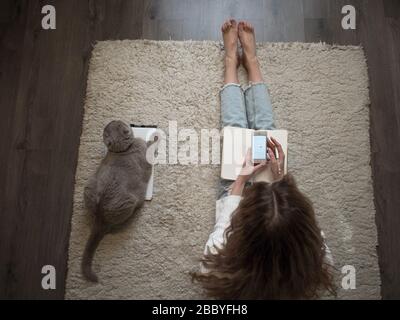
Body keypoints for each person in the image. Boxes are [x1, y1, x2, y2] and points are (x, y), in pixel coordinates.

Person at [192, 20, 336, 299]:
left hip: (233, 194)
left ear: (243, 227)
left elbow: (223, 225)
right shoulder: (318, 259)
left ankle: (231, 62)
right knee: (266, 133)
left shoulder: (218, 264)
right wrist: (279, 180)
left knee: (235, 129)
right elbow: (312, 231)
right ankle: (253, 63)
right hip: (263, 196)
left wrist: (242, 179)